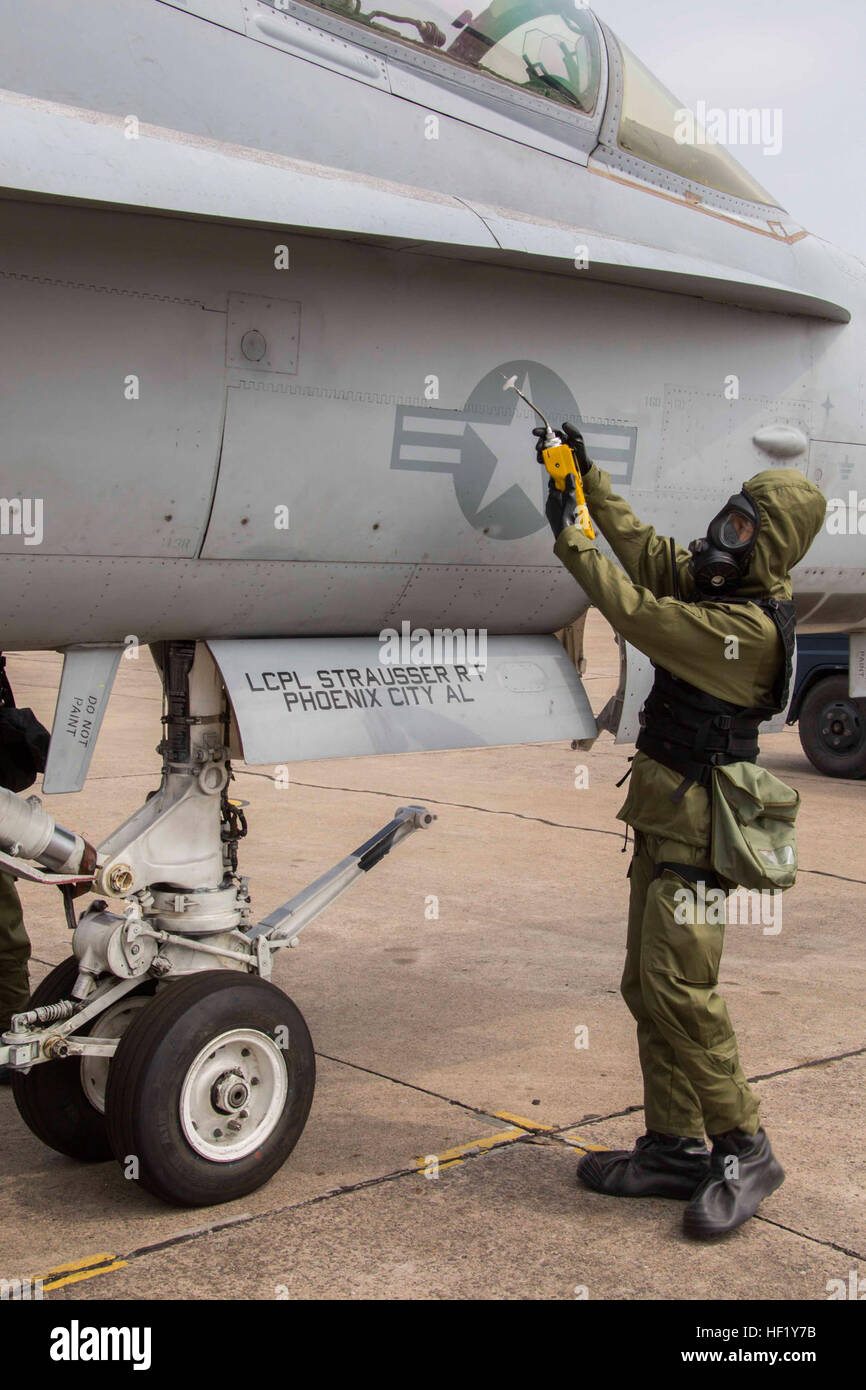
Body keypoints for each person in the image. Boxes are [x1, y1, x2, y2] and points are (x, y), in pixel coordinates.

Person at [541, 424, 826, 1238]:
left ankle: (746, 1148)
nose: (724, 539)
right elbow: (649, 551)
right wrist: (586, 478)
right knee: (646, 989)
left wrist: (569, 527)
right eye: (728, 520)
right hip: (666, 822)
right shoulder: (722, 589)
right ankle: (671, 1149)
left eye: (744, 532)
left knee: (681, 991)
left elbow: (637, 611)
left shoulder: (745, 632)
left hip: (700, 838)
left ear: (773, 548)